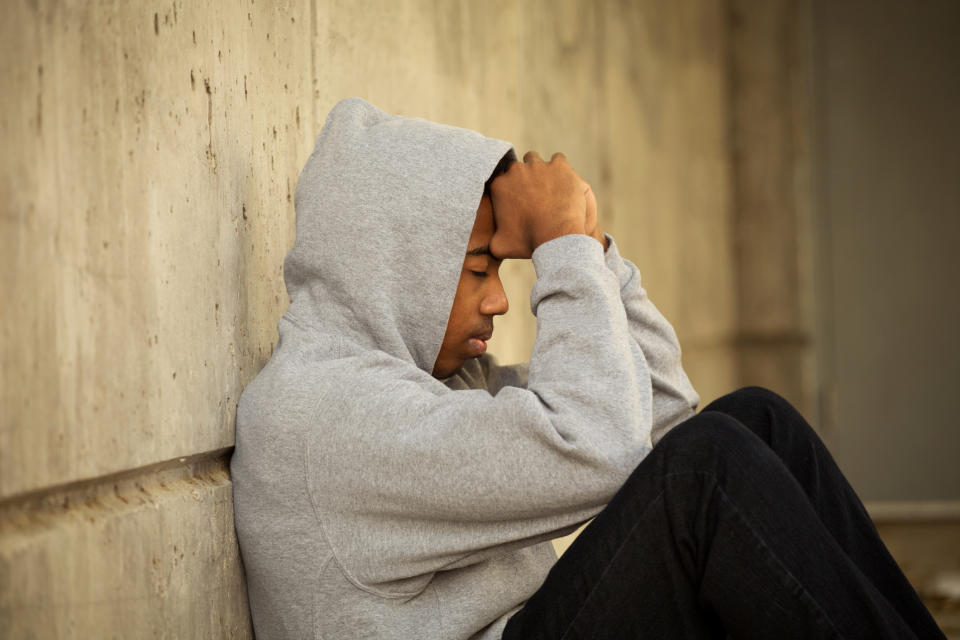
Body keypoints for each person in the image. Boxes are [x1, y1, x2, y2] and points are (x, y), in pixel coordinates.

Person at [230, 98, 945, 639]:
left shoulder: (425, 386)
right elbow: (606, 447)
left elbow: (659, 422)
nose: (498, 301)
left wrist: (591, 247)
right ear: (396, 268)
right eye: (482, 269)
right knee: (709, 469)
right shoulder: (323, 416)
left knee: (755, 421)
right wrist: (560, 244)